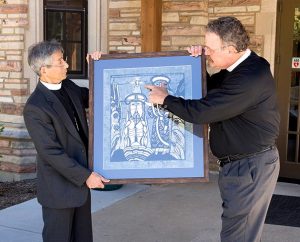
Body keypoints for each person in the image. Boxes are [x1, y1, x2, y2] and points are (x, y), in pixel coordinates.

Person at [145, 16, 280, 242]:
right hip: (243, 165)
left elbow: (203, 111)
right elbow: (212, 90)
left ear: (230, 49)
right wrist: (195, 63)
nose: (207, 53)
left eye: (210, 48)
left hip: (249, 167)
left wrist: (165, 99)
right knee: (239, 231)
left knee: (238, 234)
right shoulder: (240, 67)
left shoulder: (249, 78)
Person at [23, 40, 109, 242]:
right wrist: (86, 176)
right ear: (44, 69)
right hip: (59, 189)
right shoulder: (35, 107)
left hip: (80, 187)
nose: (67, 65)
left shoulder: (69, 86)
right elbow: (50, 152)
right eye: (60, 61)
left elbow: (98, 97)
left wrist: (98, 66)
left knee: (82, 238)